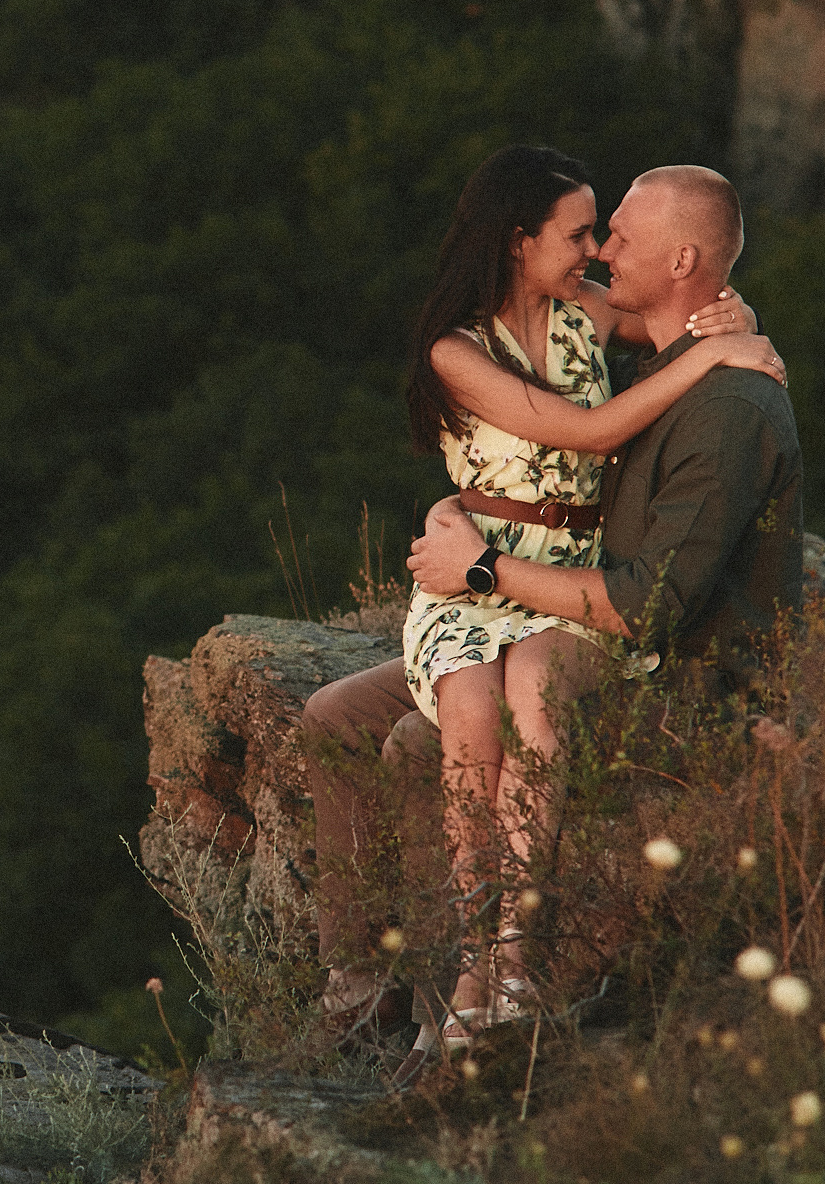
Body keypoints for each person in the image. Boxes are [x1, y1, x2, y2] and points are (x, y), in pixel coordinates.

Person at [302, 155, 799, 1061]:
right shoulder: (466, 347)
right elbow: (582, 430)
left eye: (608, 232)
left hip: (555, 586)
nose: (598, 249)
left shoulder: (601, 324)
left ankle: (480, 977)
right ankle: (362, 978)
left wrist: (739, 323)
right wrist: (460, 529)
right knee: (341, 716)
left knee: (441, 729)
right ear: (518, 242)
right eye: (582, 233)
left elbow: (681, 309)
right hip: (491, 581)